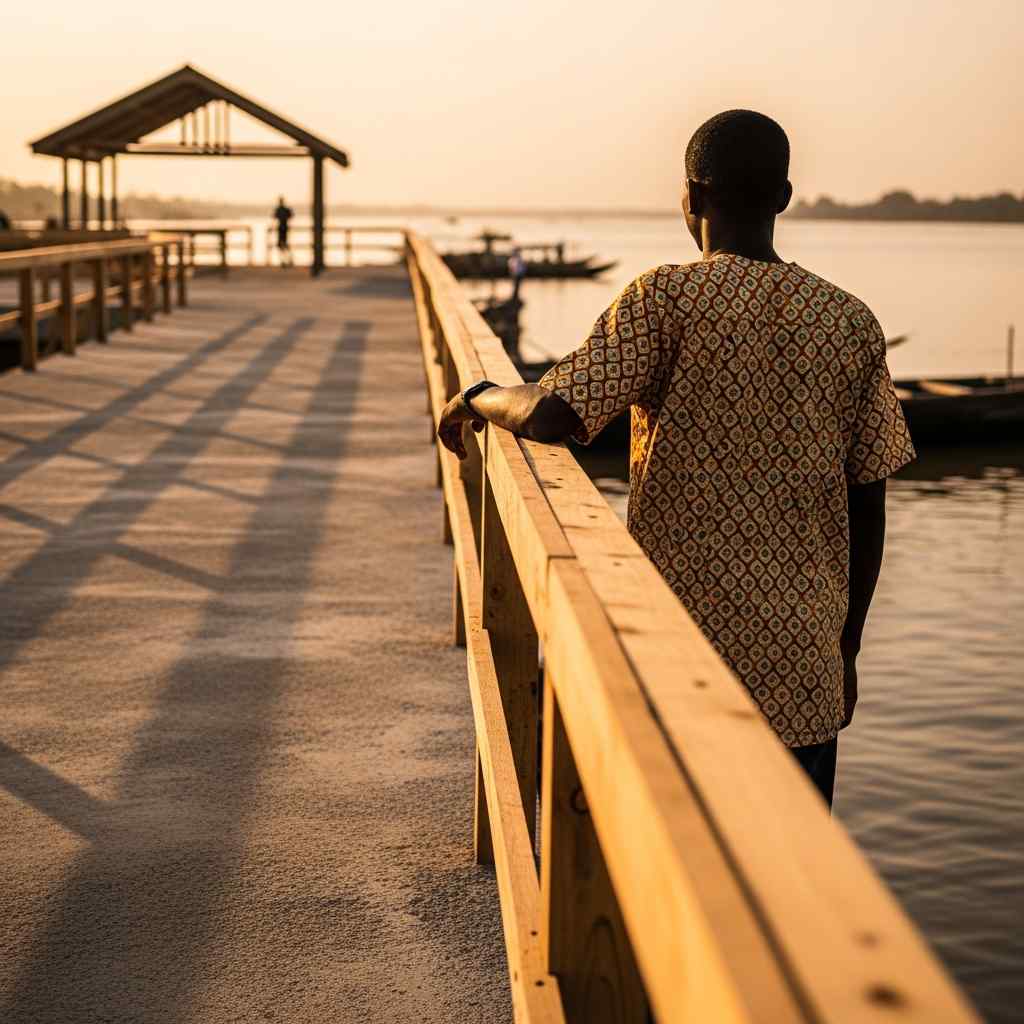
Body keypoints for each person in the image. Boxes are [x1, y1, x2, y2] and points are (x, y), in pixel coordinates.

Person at [438, 109, 915, 809]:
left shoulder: (666, 299)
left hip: (684, 658)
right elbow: (869, 497)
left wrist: (477, 395)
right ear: (783, 198)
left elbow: (551, 414)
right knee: (792, 884)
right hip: (804, 662)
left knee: (678, 873)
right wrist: (847, 648)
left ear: (690, 197)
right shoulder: (850, 320)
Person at [273, 196, 293, 267]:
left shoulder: (280, 209)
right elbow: (291, 215)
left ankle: (286, 260)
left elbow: (274, 216)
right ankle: (286, 260)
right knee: (283, 245)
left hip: (282, 229)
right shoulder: (284, 209)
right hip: (283, 228)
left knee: (282, 245)